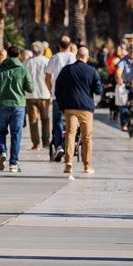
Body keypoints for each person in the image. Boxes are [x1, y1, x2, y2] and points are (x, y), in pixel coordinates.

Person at [0, 43, 34, 173]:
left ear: (8, 55)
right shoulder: (22, 69)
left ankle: (2, 152)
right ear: (18, 56)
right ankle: (13, 164)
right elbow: (30, 88)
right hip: (18, 106)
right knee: (16, 135)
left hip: (2, 106)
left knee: (0, 132)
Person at [54, 45, 104, 176]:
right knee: (87, 137)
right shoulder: (92, 71)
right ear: (87, 57)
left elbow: (58, 89)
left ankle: (68, 163)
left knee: (70, 134)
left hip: (70, 107)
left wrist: (61, 104)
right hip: (86, 108)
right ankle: (87, 166)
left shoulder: (66, 70)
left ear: (76, 56)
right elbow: (98, 90)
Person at [44, 35, 76, 162]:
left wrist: (51, 90)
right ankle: (70, 144)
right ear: (70, 45)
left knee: (57, 121)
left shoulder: (54, 58)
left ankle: (59, 145)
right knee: (71, 121)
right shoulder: (74, 57)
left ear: (58, 45)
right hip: (73, 95)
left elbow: (47, 78)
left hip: (58, 95)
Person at [24, 42, 52, 152]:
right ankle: (46, 142)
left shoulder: (26, 62)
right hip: (45, 94)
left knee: (33, 120)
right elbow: (51, 78)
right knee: (45, 119)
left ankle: (36, 144)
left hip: (30, 95)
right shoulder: (47, 61)